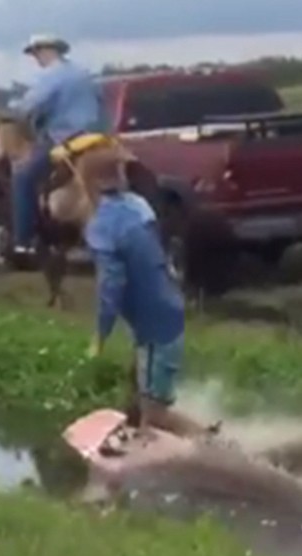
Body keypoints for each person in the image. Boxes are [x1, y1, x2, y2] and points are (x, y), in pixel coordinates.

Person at [80, 145, 217, 439]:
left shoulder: (102, 227)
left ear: (88, 183)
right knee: (143, 398)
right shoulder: (138, 205)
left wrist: (100, 336)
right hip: (167, 310)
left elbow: (111, 286)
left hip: (157, 327)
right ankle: (151, 443)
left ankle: (214, 446)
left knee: (155, 416)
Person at [5, 34, 105, 257]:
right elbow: (100, 100)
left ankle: (24, 240)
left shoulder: (51, 76)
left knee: (23, 178)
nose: (36, 58)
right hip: (96, 135)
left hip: (64, 137)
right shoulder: (83, 73)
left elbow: (29, 106)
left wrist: (12, 108)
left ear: (46, 51)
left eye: (36, 53)